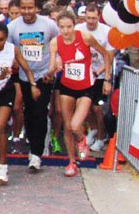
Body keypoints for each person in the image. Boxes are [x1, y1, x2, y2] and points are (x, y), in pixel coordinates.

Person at [47, 12, 112, 177]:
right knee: (67, 126)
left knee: (76, 125)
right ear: (58, 27)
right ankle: (71, 162)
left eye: (69, 27)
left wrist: (107, 79)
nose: (66, 31)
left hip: (86, 87)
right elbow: (51, 68)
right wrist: (54, 69)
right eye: (62, 27)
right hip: (67, 86)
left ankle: (82, 140)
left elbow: (106, 54)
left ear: (74, 25)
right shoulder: (55, 42)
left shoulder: (85, 37)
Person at [0, 22, 40, 185]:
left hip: (6, 91)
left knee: (0, 127)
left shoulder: (12, 49)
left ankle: (4, 170)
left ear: (6, 38)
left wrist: (33, 85)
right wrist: (0, 76)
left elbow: (27, 69)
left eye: (1, 40)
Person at [8, 0, 60, 172]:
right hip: (24, 77)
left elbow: (58, 44)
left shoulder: (48, 24)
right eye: (23, 8)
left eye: (30, 8)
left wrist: (54, 66)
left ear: (36, 8)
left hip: (43, 75)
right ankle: (33, 144)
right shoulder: (13, 27)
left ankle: (37, 153)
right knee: (29, 112)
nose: (27, 11)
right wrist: (13, 63)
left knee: (40, 111)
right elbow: (8, 51)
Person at [75, 3, 114, 151]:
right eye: (88, 18)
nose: (91, 21)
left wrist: (104, 76)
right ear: (84, 17)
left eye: (94, 18)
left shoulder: (106, 32)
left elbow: (109, 56)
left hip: (100, 73)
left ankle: (101, 137)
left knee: (98, 108)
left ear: (98, 17)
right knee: (87, 106)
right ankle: (93, 129)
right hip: (83, 74)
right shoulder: (79, 29)